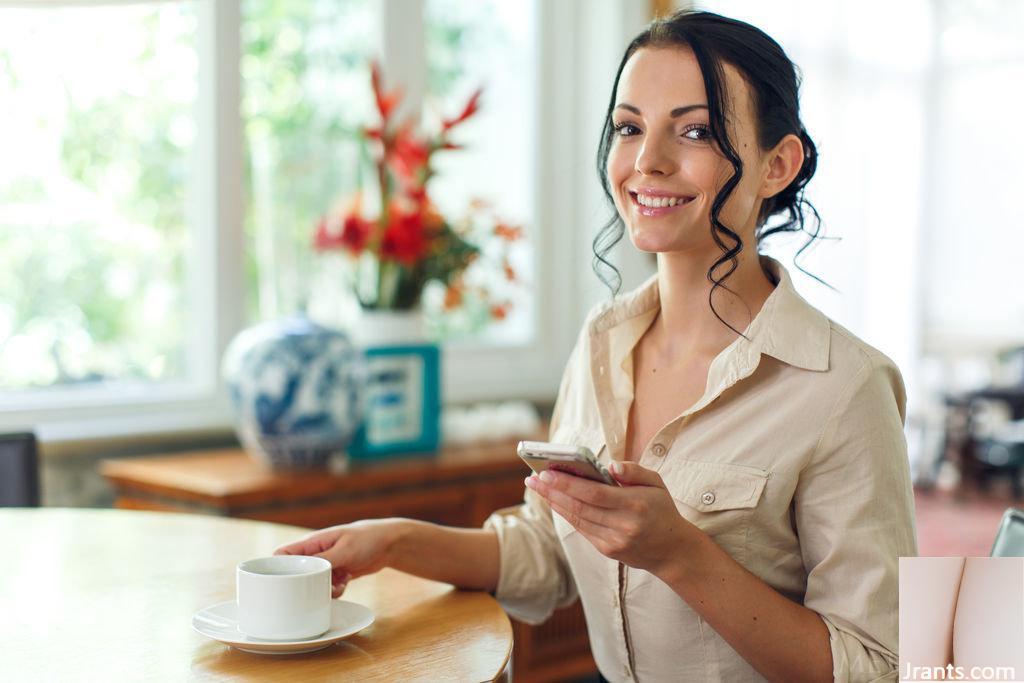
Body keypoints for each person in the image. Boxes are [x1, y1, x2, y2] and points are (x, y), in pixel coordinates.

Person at [275, 10, 917, 682]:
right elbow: (551, 546)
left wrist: (683, 555)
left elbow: (878, 665)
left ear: (777, 165)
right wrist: (395, 539)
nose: (647, 162)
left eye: (695, 130)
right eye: (630, 128)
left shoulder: (846, 386)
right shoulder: (603, 340)